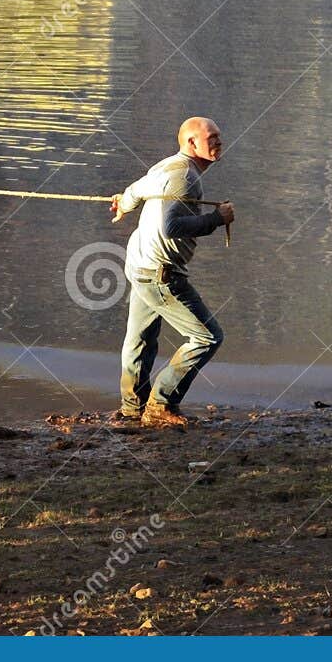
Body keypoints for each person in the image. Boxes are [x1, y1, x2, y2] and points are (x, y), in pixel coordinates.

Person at [108, 116, 236, 428]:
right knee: (206, 337)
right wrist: (216, 219)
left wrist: (123, 203)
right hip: (160, 273)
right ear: (191, 143)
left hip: (139, 265)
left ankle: (132, 409)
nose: (218, 141)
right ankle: (160, 404)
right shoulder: (186, 178)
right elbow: (171, 228)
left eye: (219, 135)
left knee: (141, 338)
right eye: (212, 137)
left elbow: (136, 191)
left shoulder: (167, 166)